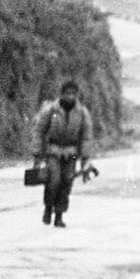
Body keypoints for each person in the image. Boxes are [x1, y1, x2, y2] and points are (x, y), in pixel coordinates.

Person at [32, 80, 94, 228]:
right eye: (67, 93)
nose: (70, 97)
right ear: (61, 94)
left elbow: (86, 136)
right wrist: (37, 154)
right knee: (53, 181)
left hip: (72, 153)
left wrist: (85, 158)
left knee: (67, 181)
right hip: (53, 150)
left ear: (77, 95)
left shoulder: (82, 113)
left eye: (73, 94)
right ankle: (48, 208)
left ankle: (59, 215)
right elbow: (39, 131)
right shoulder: (51, 110)